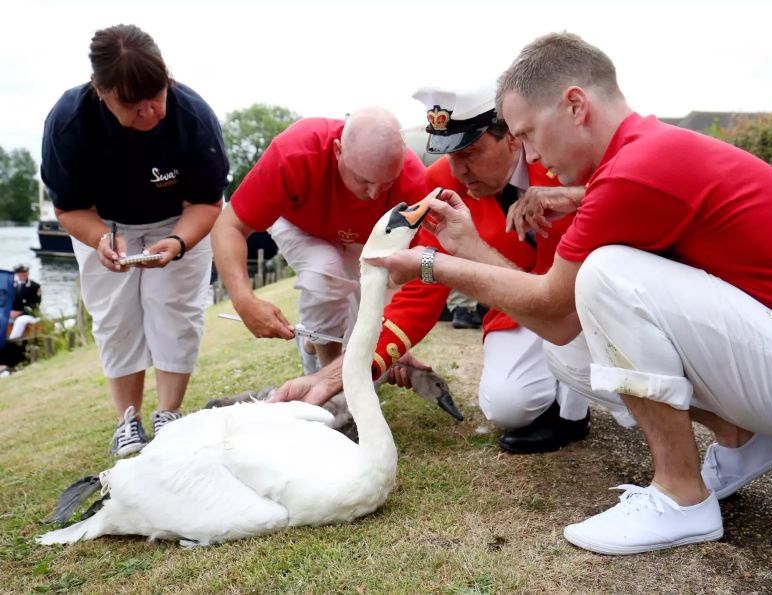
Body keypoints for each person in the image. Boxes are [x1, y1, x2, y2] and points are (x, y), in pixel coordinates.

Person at [371, 32, 772, 555]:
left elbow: (553, 308)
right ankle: (743, 439)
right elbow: (563, 327)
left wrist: (434, 262)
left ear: (575, 105)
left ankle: (680, 498)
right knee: (571, 355)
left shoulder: (637, 168)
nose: (528, 152)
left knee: (605, 274)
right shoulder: (641, 155)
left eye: (527, 133)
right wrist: (466, 243)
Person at [272, 84, 592, 455]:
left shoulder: (563, 163)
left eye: (469, 151)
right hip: (516, 311)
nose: (457, 170)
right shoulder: (442, 182)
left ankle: (575, 410)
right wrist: (331, 378)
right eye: (448, 153)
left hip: (580, 306)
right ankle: (556, 390)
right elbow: (421, 296)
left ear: (512, 138)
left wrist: (579, 196)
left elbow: (564, 290)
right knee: (508, 405)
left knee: (590, 318)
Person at [41, 24, 228, 456]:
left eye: (156, 96)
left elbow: (207, 201)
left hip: (179, 218)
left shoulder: (193, 116)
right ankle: (129, 420)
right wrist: (100, 239)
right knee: (115, 317)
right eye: (131, 103)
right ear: (99, 90)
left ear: (167, 77)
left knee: (175, 309)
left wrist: (179, 243)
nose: (149, 113)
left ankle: (168, 414)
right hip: (103, 223)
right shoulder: (69, 122)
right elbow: (69, 208)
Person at [211, 109, 428, 373]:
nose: (373, 194)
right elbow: (228, 226)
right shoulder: (294, 152)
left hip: (364, 235)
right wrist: (244, 300)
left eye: (387, 183)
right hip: (299, 221)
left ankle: (314, 343)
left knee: (365, 328)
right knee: (324, 271)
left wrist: (393, 340)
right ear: (338, 150)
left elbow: (412, 271)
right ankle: (327, 381)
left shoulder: (414, 182)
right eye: (363, 180)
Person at [8, 264, 41, 340]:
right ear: (16, 274)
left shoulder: (35, 286)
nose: (23, 275)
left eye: (25, 273)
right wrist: (9, 311)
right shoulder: (12, 285)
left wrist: (20, 313)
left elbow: (35, 305)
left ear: (28, 273)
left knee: (20, 321)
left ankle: (12, 341)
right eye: (20, 273)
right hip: (13, 313)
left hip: (29, 314)